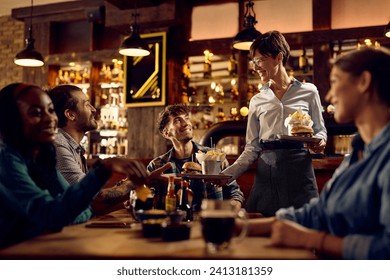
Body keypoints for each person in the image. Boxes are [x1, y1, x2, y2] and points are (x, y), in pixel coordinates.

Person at [241, 47, 390, 259]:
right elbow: (316, 214)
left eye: (336, 81)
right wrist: (240, 227)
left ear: (363, 82)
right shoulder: (357, 154)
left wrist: (312, 240)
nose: (330, 95)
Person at [0, 83, 148, 248]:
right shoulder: (6, 161)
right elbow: (50, 214)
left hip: (39, 252)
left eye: (50, 110)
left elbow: (79, 211)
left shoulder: (42, 157)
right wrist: (104, 168)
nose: (50, 118)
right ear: (11, 120)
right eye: (36, 113)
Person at [221, 31, 327, 216]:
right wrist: (226, 176)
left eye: (260, 60)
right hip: (268, 170)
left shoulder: (310, 92)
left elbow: (320, 130)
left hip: (300, 170)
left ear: (279, 57)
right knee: (262, 229)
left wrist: (319, 142)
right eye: (254, 62)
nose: (256, 67)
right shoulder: (257, 100)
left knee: (304, 226)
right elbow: (251, 148)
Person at [48, 85, 132, 215]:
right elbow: (93, 200)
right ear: (70, 115)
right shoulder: (58, 146)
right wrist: (135, 184)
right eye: (87, 105)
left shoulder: (73, 147)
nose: (93, 110)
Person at [147, 104, 244, 211]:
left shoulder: (215, 157)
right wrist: (146, 183)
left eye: (186, 118)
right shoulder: (156, 165)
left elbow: (234, 193)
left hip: (209, 224)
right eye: (177, 120)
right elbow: (144, 198)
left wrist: (233, 211)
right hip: (173, 225)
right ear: (166, 133)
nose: (186, 123)